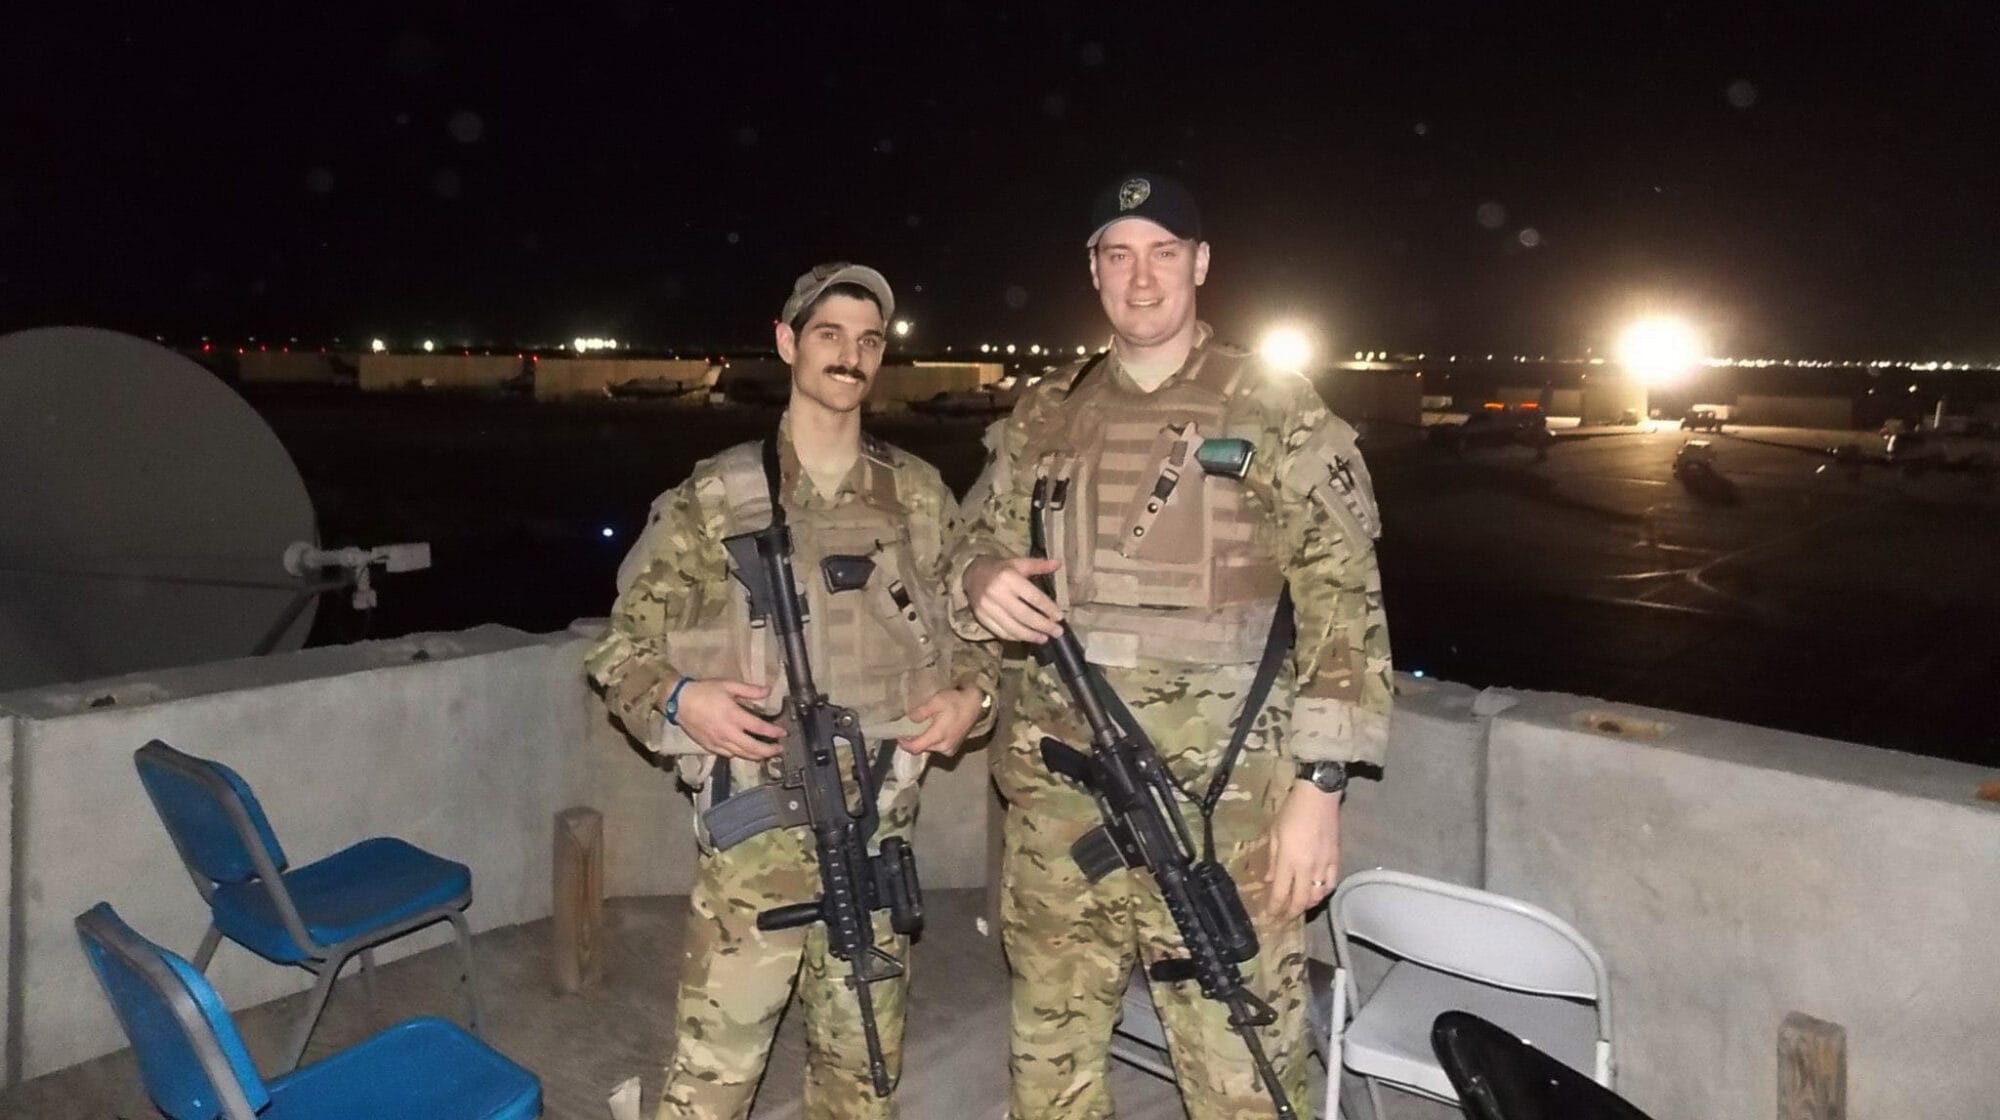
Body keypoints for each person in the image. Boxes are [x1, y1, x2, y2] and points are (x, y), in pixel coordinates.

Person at [949, 173, 1393, 1118]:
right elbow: (968, 546)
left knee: (1242, 1073)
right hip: (1059, 813)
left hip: (1222, 814)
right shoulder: (1044, 414)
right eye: (1118, 255)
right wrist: (979, 580)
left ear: (1200, 263)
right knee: (1051, 1066)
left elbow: (1345, 601)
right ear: (1093, 273)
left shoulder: (1273, 406)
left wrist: (1319, 788)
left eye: (1162, 253)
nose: (1140, 278)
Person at [586, 262, 997, 1120]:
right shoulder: (716, 495)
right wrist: (679, 700)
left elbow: (975, 640)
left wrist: (971, 703)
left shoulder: (916, 494)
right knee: (709, 1087)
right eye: (829, 334)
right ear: (787, 343)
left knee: (861, 1084)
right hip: (755, 847)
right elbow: (621, 649)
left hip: (877, 837)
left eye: (869, 340)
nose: (850, 355)